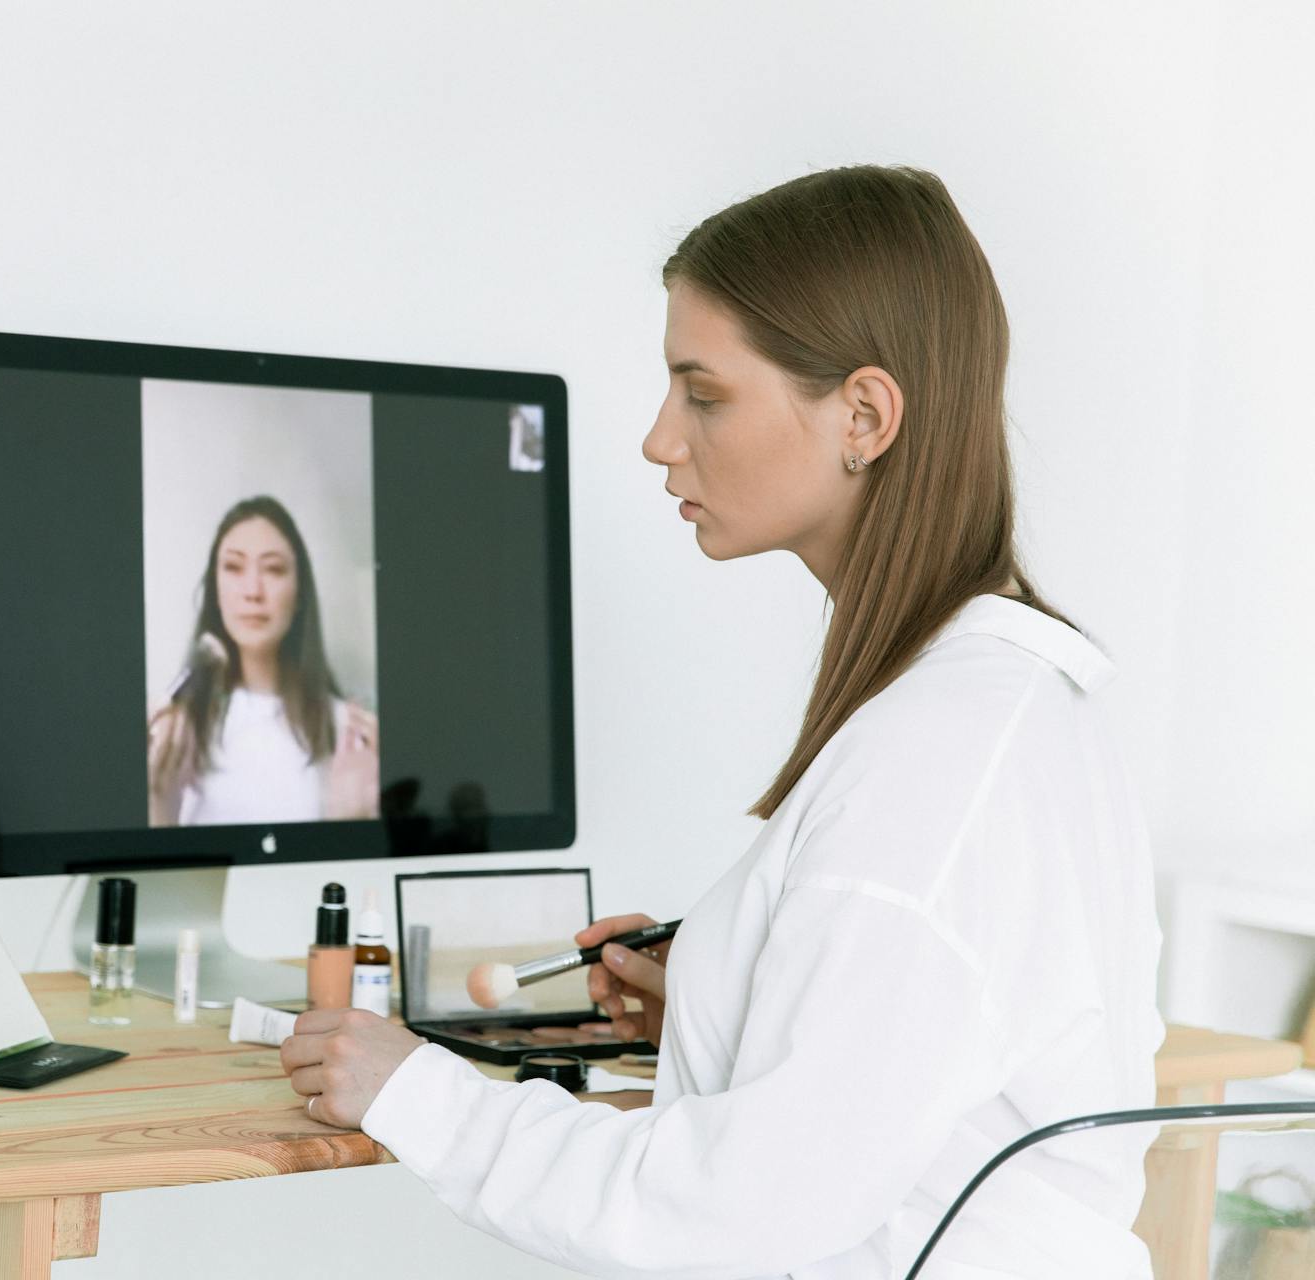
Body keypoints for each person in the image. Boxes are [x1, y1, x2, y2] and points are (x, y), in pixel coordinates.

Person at [278, 165, 1165, 1278]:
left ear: (864, 414)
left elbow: (741, 1207)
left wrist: (420, 1092)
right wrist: (720, 1000)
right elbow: (935, 1058)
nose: (659, 439)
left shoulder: (937, 759)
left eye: (702, 392)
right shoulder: (1009, 704)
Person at [147, 494, 379, 827]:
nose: (253, 591)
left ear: (299, 595)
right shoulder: (179, 731)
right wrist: (158, 803)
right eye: (233, 567)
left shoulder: (345, 733)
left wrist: (355, 821)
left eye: (273, 569)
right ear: (215, 588)